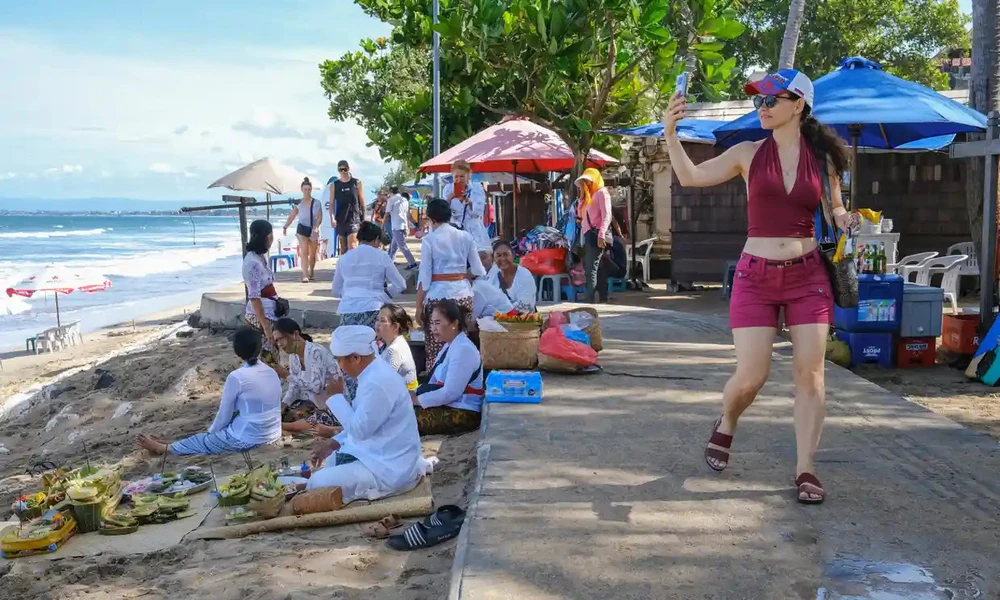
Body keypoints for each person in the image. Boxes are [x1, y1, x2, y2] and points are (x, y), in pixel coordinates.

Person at [663, 69, 856, 505]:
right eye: (759, 101)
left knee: (810, 374)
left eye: (772, 100)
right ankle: (727, 421)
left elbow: (837, 208)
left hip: (808, 275)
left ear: (799, 105)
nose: (763, 107)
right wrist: (669, 133)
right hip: (757, 277)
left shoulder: (821, 161)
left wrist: (847, 219)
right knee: (752, 376)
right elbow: (691, 177)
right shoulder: (748, 153)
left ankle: (806, 466)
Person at [307, 326, 429, 502]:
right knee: (331, 463)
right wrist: (332, 444)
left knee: (318, 481)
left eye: (340, 361)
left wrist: (335, 397)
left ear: (355, 358)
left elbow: (359, 431)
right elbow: (359, 420)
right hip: (378, 454)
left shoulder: (377, 382)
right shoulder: (372, 374)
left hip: (389, 468)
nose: (339, 367)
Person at [136, 328, 282, 455]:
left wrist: (211, 433)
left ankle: (164, 449)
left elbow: (224, 415)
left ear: (237, 351)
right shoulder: (271, 371)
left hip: (250, 439)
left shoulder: (236, 377)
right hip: (273, 433)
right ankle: (174, 443)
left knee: (201, 440)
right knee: (216, 431)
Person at [416, 199, 486, 371]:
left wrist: (418, 307)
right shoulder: (465, 236)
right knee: (462, 344)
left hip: (437, 297)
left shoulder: (429, 240)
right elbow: (478, 269)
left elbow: (424, 279)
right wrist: (461, 276)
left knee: (435, 347)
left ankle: (437, 383)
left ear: (431, 219)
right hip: (463, 295)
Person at [412, 300, 483, 436]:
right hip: (449, 405)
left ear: (454, 324)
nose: (433, 329)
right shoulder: (449, 346)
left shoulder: (463, 349)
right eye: (432, 323)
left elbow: (451, 393)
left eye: (437, 323)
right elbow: (432, 383)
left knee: (401, 419)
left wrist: (417, 400)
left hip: (463, 411)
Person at [272, 318, 341, 438]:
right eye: (276, 341)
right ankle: (282, 425)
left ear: (295, 334)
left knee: (313, 421)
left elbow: (316, 387)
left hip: (331, 405)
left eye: (281, 339)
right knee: (283, 413)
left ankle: (282, 427)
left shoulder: (315, 352)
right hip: (311, 402)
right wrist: (284, 404)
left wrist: (287, 376)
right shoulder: (293, 356)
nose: (279, 344)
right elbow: (294, 388)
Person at [242, 219, 281, 367]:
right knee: (269, 358)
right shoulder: (252, 262)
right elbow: (254, 297)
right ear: (267, 237)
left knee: (271, 356)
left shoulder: (260, 257)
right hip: (260, 317)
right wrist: (266, 326)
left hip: (270, 311)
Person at [575, 168, 612, 304]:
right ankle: (602, 297)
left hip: (597, 235)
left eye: (589, 182)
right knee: (598, 267)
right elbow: (580, 217)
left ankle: (590, 299)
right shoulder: (589, 196)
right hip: (589, 235)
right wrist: (582, 198)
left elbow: (607, 215)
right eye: (585, 183)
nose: (587, 185)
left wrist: (601, 234)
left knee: (591, 268)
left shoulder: (602, 193)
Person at [443, 160, 491, 252]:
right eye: (456, 177)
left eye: (462, 176)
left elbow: (479, 211)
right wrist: (449, 198)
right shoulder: (448, 189)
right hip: (455, 230)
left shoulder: (476, 188)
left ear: (468, 175)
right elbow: (443, 212)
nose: (458, 179)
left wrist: (468, 201)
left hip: (474, 230)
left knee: (477, 257)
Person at [282, 178, 322, 282]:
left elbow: (319, 217)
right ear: (301, 190)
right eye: (305, 189)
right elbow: (292, 216)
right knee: (304, 253)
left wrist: (316, 226)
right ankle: (305, 274)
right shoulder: (298, 203)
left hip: (313, 230)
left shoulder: (317, 203)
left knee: (313, 254)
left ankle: (311, 272)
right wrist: (285, 226)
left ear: (311, 190)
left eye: (309, 189)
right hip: (302, 230)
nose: (307, 192)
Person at [375, 304, 418, 393]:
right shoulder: (397, 341)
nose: (377, 324)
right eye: (377, 319)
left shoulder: (394, 350)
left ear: (395, 326)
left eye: (382, 320)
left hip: (402, 400)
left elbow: (385, 383)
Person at [487, 240, 537, 313]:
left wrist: (501, 313)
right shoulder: (493, 273)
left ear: (513, 255)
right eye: (498, 255)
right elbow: (488, 299)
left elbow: (525, 305)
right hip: (499, 319)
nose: (503, 259)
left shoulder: (525, 275)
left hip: (523, 320)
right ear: (493, 258)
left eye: (506, 254)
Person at [330, 160, 366, 252]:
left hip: (354, 217)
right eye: (340, 170)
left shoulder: (356, 183)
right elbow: (331, 203)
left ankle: (354, 265)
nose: (343, 172)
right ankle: (345, 266)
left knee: (353, 246)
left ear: (348, 169)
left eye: (345, 169)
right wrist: (332, 218)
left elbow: (362, 201)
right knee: (343, 249)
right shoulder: (334, 185)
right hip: (341, 218)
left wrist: (363, 218)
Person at [471, 251, 513, 320]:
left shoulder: (477, 287)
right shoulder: (480, 280)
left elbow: (472, 317)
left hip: (508, 319)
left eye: (483, 257)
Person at [387, 187, 418, 269]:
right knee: (393, 246)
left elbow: (387, 214)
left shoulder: (392, 200)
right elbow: (408, 215)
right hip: (402, 226)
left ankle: (412, 262)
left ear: (391, 192)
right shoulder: (405, 201)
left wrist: (382, 226)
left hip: (396, 227)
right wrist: (415, 223)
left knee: (402, 246)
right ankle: (389, 262)